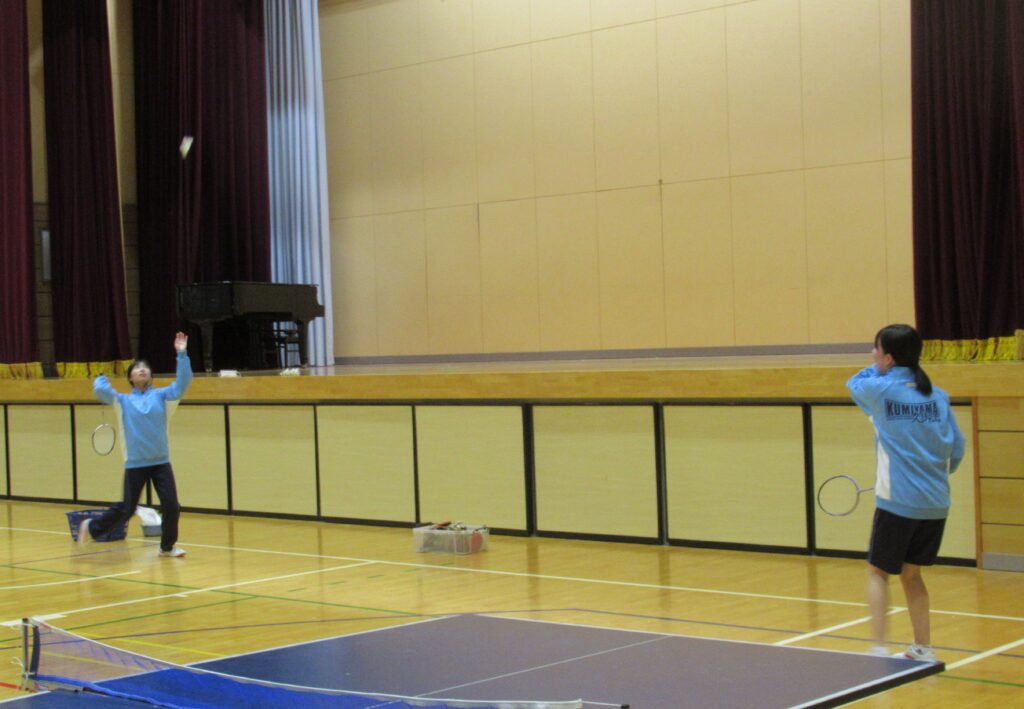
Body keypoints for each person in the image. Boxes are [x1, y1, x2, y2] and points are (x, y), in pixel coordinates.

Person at [847, 324, 965, 662]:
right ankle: (923, 648)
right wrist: (932, 475)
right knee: (912, 575)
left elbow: (854, 383)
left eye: (876, 349)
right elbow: (957, 450)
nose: (872, 354)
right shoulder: (938, 396)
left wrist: (878, 368)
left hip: (897, 503)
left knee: (878, 572)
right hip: (936, 504)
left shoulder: (880, 390)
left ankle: (878, 648)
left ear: (888, 357)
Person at [79, 332, 193, 557]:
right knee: (127, 509)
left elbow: (183, 383)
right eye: (137, 368)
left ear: (150, 375)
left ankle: (167, 547)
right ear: (130, 377)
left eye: (145, 368)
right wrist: (101, 377)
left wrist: (182, 354)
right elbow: (101, 390)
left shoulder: (162, 396)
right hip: (135, 463)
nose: (142, 369)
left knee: (172, 506)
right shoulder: (123, 401)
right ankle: (91, 527)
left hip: (161, 461)